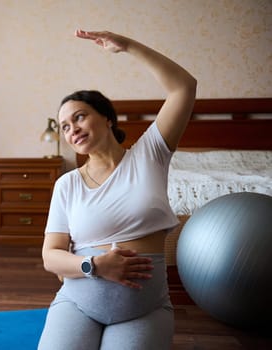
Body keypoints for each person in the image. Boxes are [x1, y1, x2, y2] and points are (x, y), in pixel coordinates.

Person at [38, 30, 197, 350]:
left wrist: (127, 46)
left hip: (143, 311)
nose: (72, 130)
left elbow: (184, 87)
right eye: (65, 126)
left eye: (79, 117)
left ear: (108, 119)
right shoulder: (67, 184)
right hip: (77, 304)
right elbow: (51, 257)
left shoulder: (150, 155)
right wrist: (93, 265)